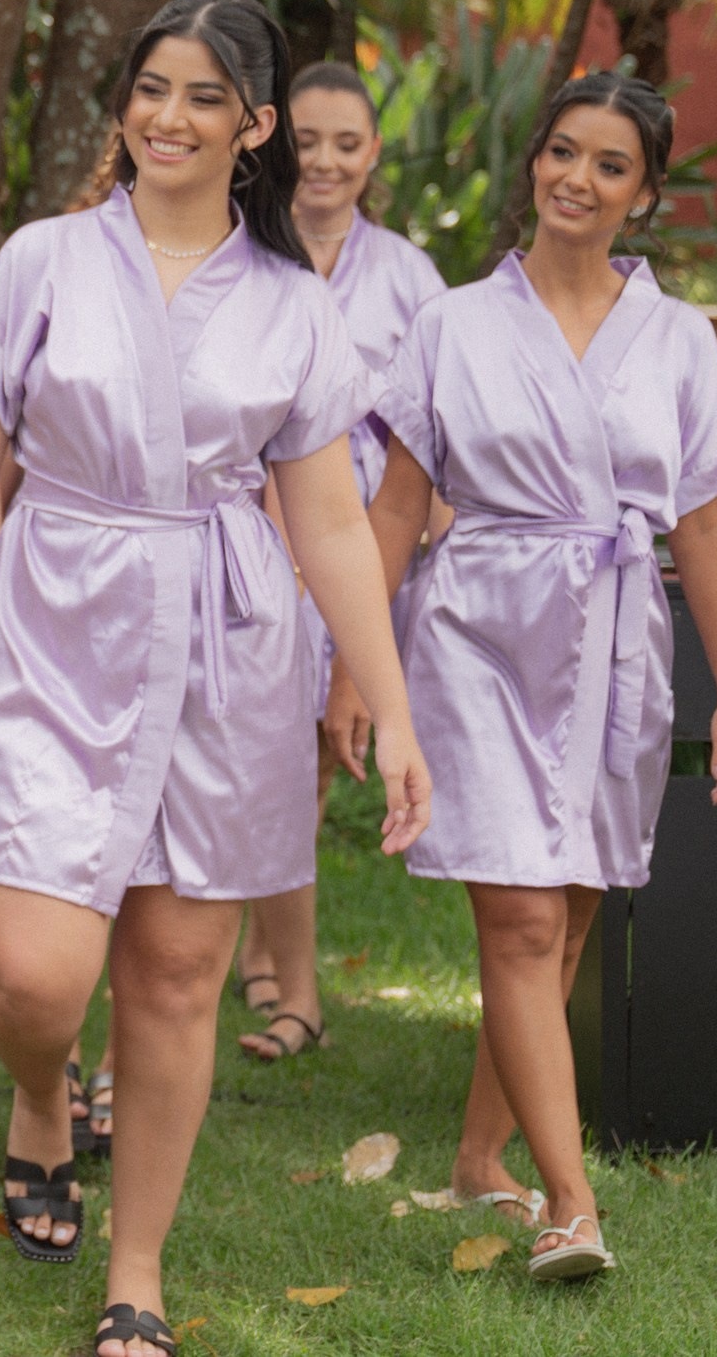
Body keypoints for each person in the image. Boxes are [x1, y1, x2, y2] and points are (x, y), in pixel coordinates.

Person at [0, 0, 432, 1357]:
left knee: (178, 973)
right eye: (150, 89)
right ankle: (43, 1095)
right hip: (59, 614)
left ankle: (136, 1270)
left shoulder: (295, 306)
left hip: (229, 636)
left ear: (257, 127)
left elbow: (334, 522)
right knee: (29, 973)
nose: (169, 117)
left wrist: (391, 703)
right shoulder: (47, 261)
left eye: (202, 97)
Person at [359, 72, 717, 1281]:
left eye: (610, 166)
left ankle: (483, 1159)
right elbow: (393, 505)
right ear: (531, 160)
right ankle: (568, 1206)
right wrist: (355, 668)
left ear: (640, 194)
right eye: (562, 154)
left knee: (571, 908)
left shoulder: (678, 337)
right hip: (479, 629)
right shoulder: (452, 325)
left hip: (619, 642)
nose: (577, 181)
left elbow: (696, 526)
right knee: (523, 914)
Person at [231, 60, 448, 1063]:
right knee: (255, 755)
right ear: (275, 143)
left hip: (362, 539)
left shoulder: (408, 278)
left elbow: (439, 438)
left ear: (372, 155)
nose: (322, 161)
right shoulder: (244, 261)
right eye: (305, 141)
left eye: (345, 144)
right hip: (245, 530)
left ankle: (289, 980)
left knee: (314, 757)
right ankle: (264, 959)